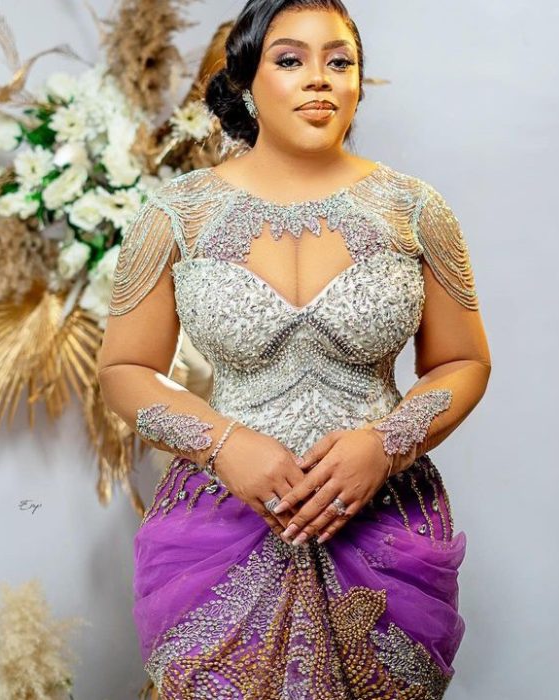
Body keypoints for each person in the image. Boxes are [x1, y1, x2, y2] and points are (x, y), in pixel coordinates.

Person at [97, 0, 492, 696]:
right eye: (290, 60)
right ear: (246, 83)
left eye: (339, 61)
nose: (319, 78)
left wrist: (387, 444)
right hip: (218, 526)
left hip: (383, 526)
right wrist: (224, 444)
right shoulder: (175, 216)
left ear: (357, 83)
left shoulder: (416, 210)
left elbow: (463, 362)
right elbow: (124, 370)